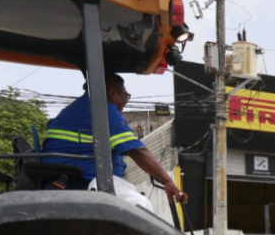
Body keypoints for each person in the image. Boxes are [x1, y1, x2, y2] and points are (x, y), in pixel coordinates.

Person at [42, 72, 186, 211]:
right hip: (82, 180)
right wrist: (168, 182)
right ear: (112, 94)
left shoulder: (81, 108)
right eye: (126, 95)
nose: (125, 101)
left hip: (78, 178)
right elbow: (138, 152)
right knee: (140, 205)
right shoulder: (101, 109)